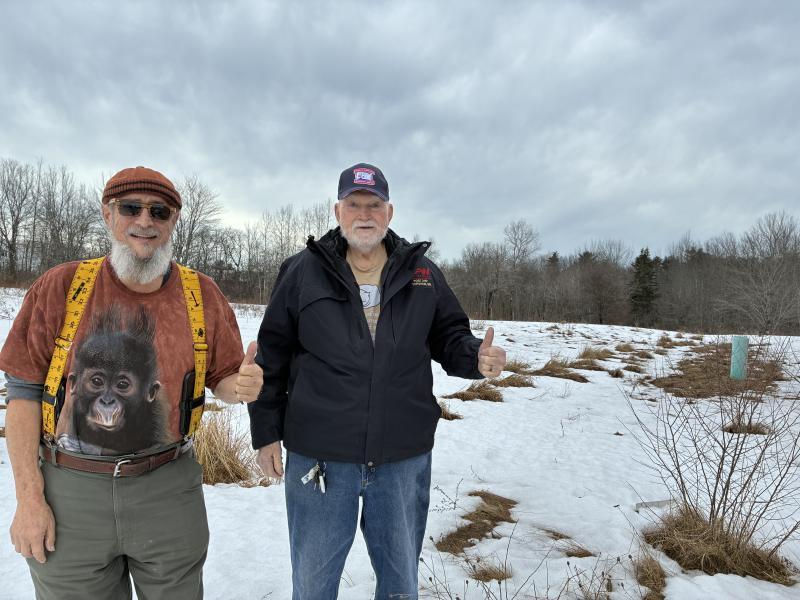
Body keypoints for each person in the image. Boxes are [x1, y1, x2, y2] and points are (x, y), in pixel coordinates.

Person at [1, 166, 263, 600]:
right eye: (131, 208)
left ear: (174, 221)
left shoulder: (203, 296)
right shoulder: (61, 287)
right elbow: (24, 393)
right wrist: (29, 500)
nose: (145, 221)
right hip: (71, 493)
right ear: (108, 215)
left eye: (159, 211)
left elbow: (223, 380)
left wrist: (244, 385)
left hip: (167, 486)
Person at [249, 162, 507, 599]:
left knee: (400, 584)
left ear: (389, 212)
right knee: (313, 584)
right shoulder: (302, 271)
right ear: (337, 211)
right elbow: (269, 357)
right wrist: (266, 434)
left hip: (402, 458)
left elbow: (450, 336)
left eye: (373, 205)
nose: (363, 214)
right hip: (320, 458)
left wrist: (475, 358)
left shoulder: (421, 273)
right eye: (354, 204)